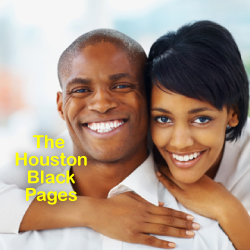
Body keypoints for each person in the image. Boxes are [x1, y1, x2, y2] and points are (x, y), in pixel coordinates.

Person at [0, 29, 234, 250]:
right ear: (61, 107)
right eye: (81, 90)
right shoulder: (17, 219)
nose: (102, 104)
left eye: (122, 86)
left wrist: (228, 211)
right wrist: (94, 212)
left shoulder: (208, 226)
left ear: (150, 98)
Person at [147, 20, 250, 250]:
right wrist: (94, 214)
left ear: (233, 112)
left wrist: (228, 210)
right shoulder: (127, 144)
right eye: (164, 119)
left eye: (201, 119)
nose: (180, 142)